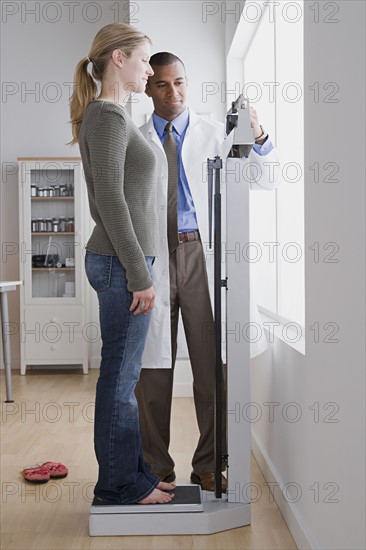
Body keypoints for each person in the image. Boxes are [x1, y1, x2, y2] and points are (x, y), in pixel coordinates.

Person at [135, 52, 281, 491]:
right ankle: (156, 470)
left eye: (179, 82)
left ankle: (209, 464)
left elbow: (264, 178)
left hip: (202, 253)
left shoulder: (216, 134)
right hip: (152, 258)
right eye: (162, 84)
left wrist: (257, 132)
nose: (173, 92)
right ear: (148, 89)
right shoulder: (135, 138)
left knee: (211, 367)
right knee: (152, 372)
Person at [69, 25, 175, 505]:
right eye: (144, 61)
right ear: (118, 58)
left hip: (120, 261)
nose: (150, 70)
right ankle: (118, 485)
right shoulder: (108, 116)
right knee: (119, 377)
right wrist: (140, 274)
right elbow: (110, 198)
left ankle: (135, 475)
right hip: (119, 264)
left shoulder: (112, 114)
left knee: (122, 376)